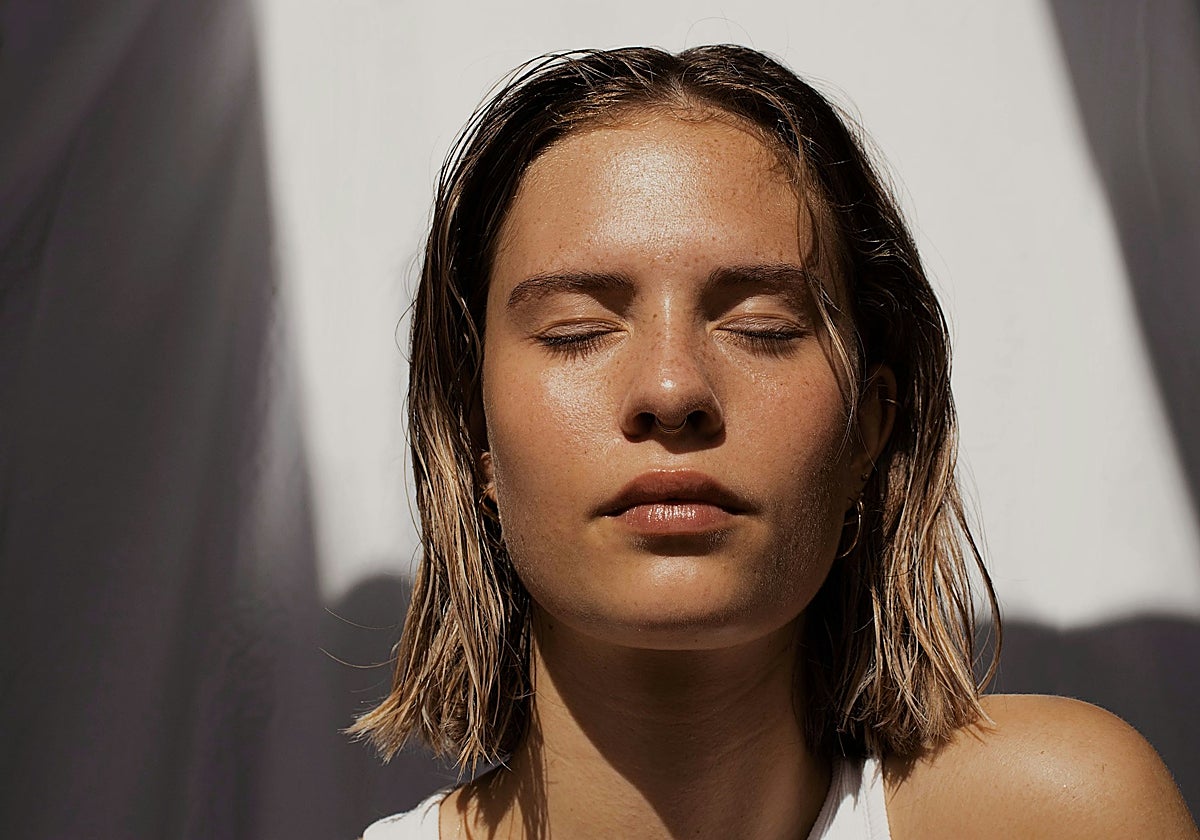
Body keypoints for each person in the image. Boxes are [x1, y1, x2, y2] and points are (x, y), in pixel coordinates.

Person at [354, 45, 1198, 839]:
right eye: (577, 331)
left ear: (871, 427)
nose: (672, 391)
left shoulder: (1056, 816)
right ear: (473, 438)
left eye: (762, 326)